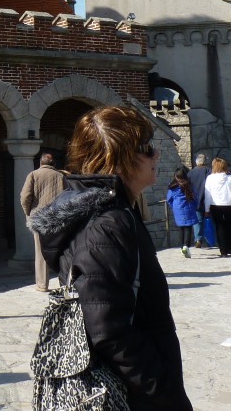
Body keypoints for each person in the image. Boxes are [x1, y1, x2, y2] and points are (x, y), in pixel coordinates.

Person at [31, 106, 193, 411]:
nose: (156, 154)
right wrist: (166, 392)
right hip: (131, 395)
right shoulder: (108, 223)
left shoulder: (114, 212)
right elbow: (108, 329)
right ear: (118, 159)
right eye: (146, 149)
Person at [19, 151, 67, 291]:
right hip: (57, 216)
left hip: (39, 218)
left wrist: (28, 212)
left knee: (40, 251)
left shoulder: (33, 175)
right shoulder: (60, 176)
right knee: (60, 249)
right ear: (53, 164)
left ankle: (42, 284)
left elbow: (25, 197)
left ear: (40, 163)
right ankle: (63, 282)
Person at [203, 157, 231, 257]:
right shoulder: (230, 178)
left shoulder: (210, 178)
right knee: (229, 226)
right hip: (229, 205)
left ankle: (223, 251)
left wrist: (206, 209)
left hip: (215, 205)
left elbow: (207, 195)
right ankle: (230, 247)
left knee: (219, 227)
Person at [166, 168, 199, 258]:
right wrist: (195, 206)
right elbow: (195, 197)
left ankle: (182, 248)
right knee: (188, 227)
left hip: (178, 209)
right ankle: (186, 246)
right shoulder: (189, 185)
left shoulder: (172, 187)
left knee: (181, 228)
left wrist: (174, 206)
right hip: (189, 208)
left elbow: (169, 199)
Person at [187, 154, 211, 248]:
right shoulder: (209, 171)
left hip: (195, 200)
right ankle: (210, 240)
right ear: (205, 162)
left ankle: (198, 239)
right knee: (210, 221)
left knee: (198, 221)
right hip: (208, 199)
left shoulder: (191, 173)